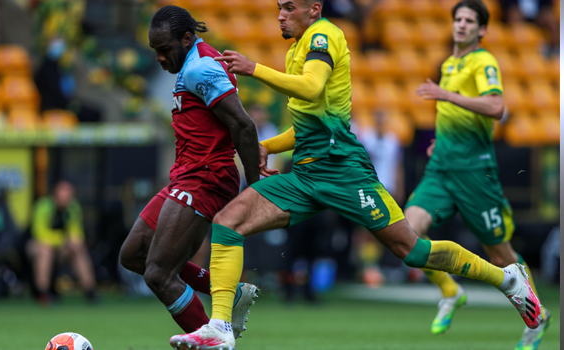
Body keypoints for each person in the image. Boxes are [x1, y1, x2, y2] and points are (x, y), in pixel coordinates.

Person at [169, 1, 543, 349]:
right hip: (306, 174)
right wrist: (270, 146)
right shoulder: (296, 48)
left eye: (289, 8)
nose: (281, 15)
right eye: (278, 8)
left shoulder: (324, 35)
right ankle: (220, 328)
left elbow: (312, 88)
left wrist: (254, 68)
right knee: (228, 221)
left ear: (313, 9)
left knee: (411, 250)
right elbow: (309, 123)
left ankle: (508, 278)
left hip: (345, 171)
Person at [405, 1, 551, 348]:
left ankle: (537, 315)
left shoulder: (483, 61)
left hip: (474, 174)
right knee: (406, 233)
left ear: (482, 29)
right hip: (441, 169)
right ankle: (450, 290)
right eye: (458, 19)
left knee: (501, 257)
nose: (462, 25)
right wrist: (441, 142)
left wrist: (445, 94)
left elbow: (496, 107)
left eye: (470, 20)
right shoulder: (450, 63)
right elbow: (455, 118)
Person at [118, 5, 261, 341]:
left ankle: (211, 341)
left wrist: (256, 188)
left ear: (186, 38)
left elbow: (243, 124)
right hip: (187, 175)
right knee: (134, 255)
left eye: (165, 50)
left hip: (206, 176)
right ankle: (226, 292)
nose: (160, 58)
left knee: (158, 273)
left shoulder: (200, 68)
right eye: (155, 51)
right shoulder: (195, 63)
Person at [30, 180, 97, 304]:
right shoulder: (43, 206)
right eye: (63, 192)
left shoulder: (73, 207)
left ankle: (90, 291)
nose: (66, 196)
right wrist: (64, 239)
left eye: (69, 193)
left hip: (60, 248)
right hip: (36, 247)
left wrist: (74, 241)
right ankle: (43, 292)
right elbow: (40, 234)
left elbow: (76, 231)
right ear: (55, 193)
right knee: (45, 250)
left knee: (79, 249)